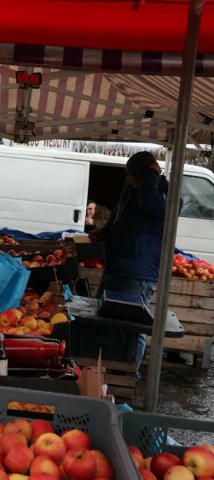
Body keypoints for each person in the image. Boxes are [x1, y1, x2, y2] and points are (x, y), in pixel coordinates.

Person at [88, 151, 179, 375]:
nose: (129, 180)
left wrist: (151, 176)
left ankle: (128, 376)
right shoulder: (133, 189)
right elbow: (118, 214)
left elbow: (149, 203)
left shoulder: (165, 196)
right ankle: (107, 371)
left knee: (132, 328)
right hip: (116, 267)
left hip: (137, 274)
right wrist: (105, 232)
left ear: (149, 173)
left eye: (134, 176)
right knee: (105, 321)